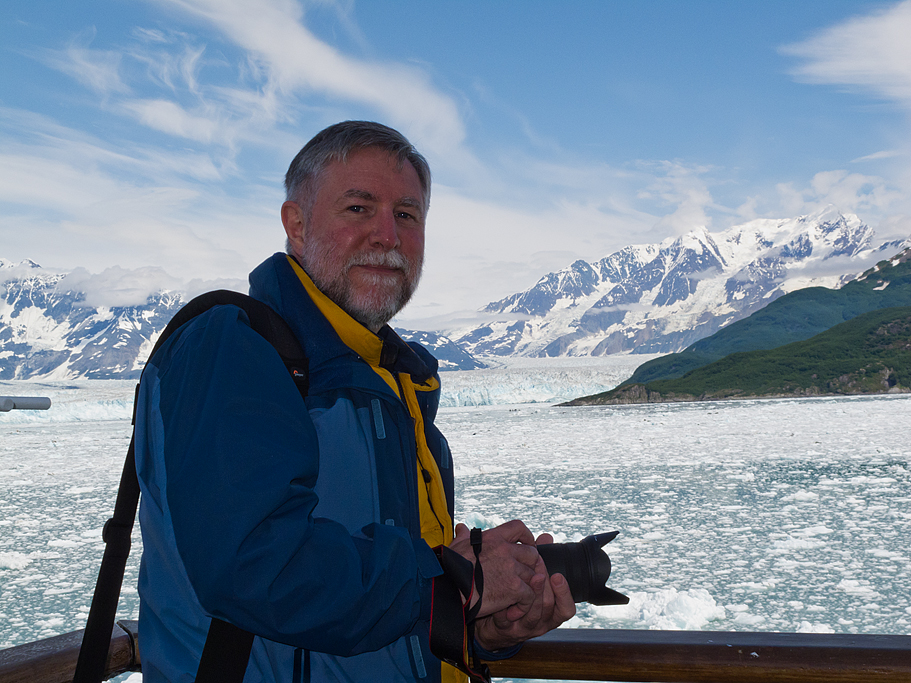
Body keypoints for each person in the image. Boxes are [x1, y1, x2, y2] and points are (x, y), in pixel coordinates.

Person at [134, 121, 575, 683]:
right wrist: (453, 580)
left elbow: (395, 611)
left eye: (407, 215)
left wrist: (476, 624)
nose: (388, 236)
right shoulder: (234, 349)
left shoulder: (398, 388)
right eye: (359, 209)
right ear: (296, 224)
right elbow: (252, 566)